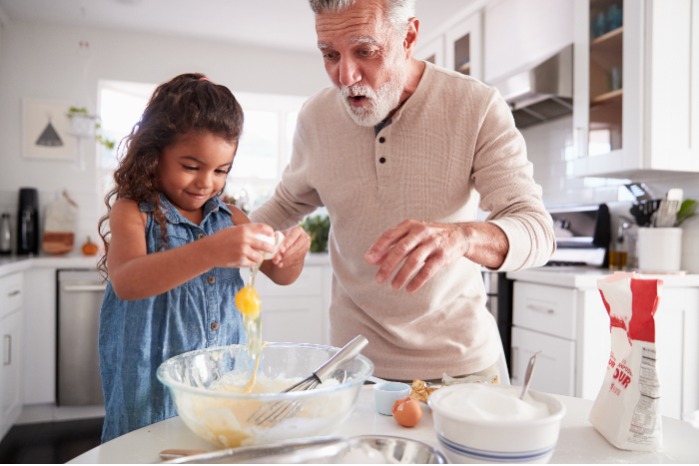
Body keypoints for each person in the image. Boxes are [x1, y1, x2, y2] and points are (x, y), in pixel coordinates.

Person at [250, 0, 555, 382]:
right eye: (330, 55)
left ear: (409, 36)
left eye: (365, 51)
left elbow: (537, 231)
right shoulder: (316, 117)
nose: (344, 76)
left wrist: (462, 237)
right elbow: (283, 204)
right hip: (351, 368)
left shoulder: (475, 106)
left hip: (462, 369)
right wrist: (208, 240)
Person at [96, 73, 310, 442]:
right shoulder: (134, 212)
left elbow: (281, 273)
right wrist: (211, 250)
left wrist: (292, 251)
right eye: (191, 166)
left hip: (223, 380)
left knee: (215, 447)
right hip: (152, 384)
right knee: (149, 451)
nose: (206, 182)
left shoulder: (230, 217)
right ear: (154, 153)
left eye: (221, 171)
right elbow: (128, 282)